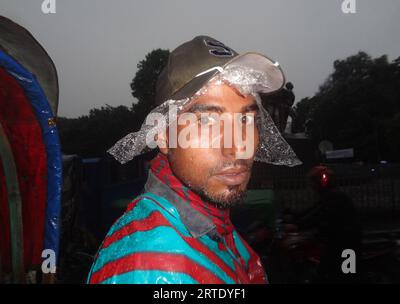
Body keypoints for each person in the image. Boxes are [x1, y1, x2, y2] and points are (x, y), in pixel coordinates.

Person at [87, 36, 301, 284]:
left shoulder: (214, 225)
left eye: (245, 120)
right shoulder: (154, 266)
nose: (238, 148)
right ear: (163, 136)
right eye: (208, 121)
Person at [295, 165, 362, 283]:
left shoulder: (335, 197)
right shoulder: (328, 196)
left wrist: (298, 225)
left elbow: (318, 215)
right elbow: (313, 210)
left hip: (345, 243)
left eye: (313, 182)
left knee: (336, 274)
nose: (311, 186)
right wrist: (291, 216)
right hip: (334, 239)